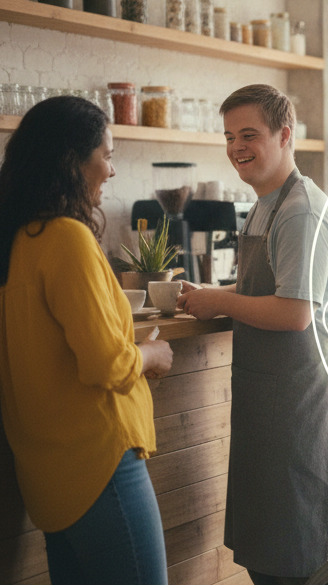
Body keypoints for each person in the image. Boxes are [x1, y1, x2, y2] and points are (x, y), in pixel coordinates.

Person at [176, 85, 328, 585]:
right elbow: (267, 286)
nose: (236, 148)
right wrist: (216, 292)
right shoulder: (266, 204)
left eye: (248, 135)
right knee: (282, 554)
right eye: (230, 137)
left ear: (285, 135)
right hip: (274, 400)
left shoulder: (299, 211)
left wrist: (220, 301)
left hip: (303, 404)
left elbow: (295, 312)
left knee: (296, 558)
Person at [0, 96, 174, 583]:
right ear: (72, 161)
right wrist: (152, 353)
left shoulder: (15, 241)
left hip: (46, 476)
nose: (112, 171)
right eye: (108, 155)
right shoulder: (67, 239)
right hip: (99, 463)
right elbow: (105, 364)